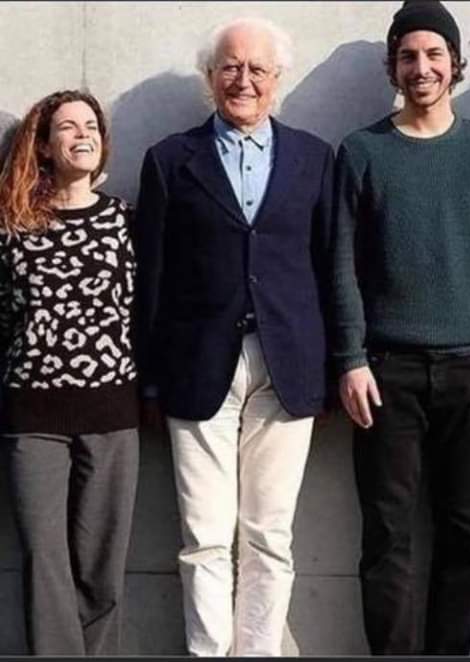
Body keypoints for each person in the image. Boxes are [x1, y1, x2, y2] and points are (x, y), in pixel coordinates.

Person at [331, 0, 470, 654]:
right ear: (393, 67)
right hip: (386, 374)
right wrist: (350, 358)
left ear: (455, 62)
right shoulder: (362, 152)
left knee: (464, 535)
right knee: (387, 537)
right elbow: (341, 262)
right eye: (409, 56)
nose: (422, 68)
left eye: (434, 54)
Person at [133, 16, 333, 657]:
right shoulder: (170, 160)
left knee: (270, 535)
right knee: (205, 535)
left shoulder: (313, 158)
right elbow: (152, 276)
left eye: (257, 69)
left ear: (278, 78)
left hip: (287, 364)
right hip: (197, 366)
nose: (243, 80)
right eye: (229, 67)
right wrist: (149, 378)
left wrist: (335, 366)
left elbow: (330, 266)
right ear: (210, 76)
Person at [0, 90, 139, 655]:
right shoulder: (12, 225)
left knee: (102, 564)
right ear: (43, 145)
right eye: (67, 127)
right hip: (32, 416)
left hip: (112, 412)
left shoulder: (125, 220)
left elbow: (144, 312)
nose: (82, 135)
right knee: (46, 562)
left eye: (91, 126)